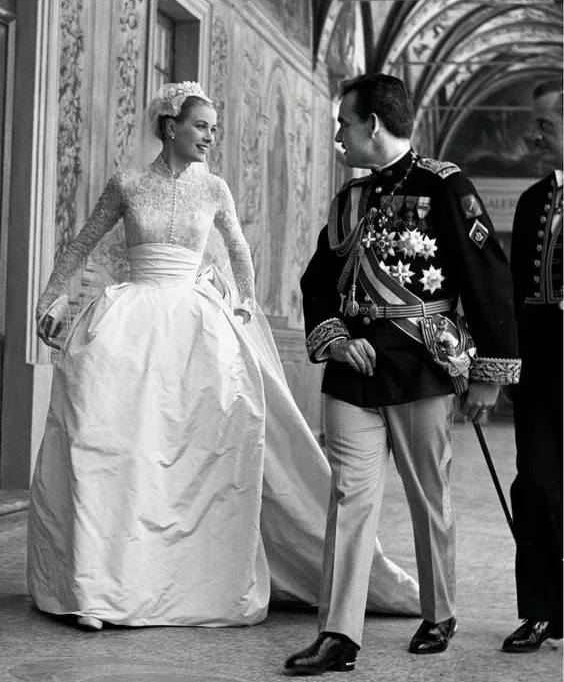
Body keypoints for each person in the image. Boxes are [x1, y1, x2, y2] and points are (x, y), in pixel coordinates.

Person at [29, 81, 420, 632]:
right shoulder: (127, 184)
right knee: (111, 446)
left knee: (192, 450)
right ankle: (98, 586)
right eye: (201, 126)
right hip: (129, 323)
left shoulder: (214, 189)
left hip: (195, 326)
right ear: (170, 127)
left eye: (214, 128)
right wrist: (49, 299)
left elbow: (238, 249)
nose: (211, 137)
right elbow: (81, 244)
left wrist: (245, 305)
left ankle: (186, 580)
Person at [284, 73, 521, 675]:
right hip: (354, 372)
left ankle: (439, 613)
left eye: (344, 123)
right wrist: (336, 339)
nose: (338, 135)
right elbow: (318, 281)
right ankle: (338, 634)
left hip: (420, 367)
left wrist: (490, 373)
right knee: (348, 497)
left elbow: (487, 278)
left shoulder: (446, 187)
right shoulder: (349, 200)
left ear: (373, 125)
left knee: (429, 495)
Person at [502, 79, 563, 653]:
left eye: (544, 124)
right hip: (541, 368)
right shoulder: (530, 202)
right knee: (537, 485)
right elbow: (513, 292)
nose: (534, 134)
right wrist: (502, 366)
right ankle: (542, 611)